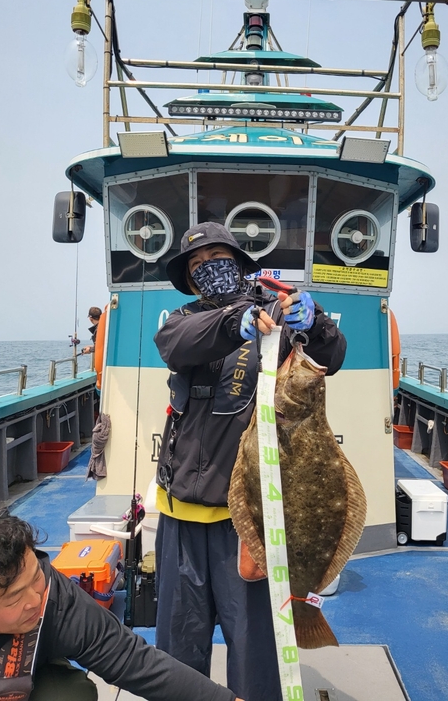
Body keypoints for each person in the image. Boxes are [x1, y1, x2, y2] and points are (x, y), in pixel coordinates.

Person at [153, 221, 347, 701]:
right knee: (178, 653)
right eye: (197, 264)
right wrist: (232, 322)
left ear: (239, 263)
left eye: (218, 258)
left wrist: (315, 323)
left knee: (256, 654)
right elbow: (176, 345)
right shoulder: (181, 321)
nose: (208, 268)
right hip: (180, 519)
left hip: (252, 523)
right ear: (189, 278)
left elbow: (332, 355)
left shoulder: (276, 314)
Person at [0, 504, 242, 701]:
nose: (35, 600)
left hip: (13, 679)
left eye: (35, 577)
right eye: (15, 597)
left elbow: (131, 659)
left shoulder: (53, 599)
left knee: (70, 695)